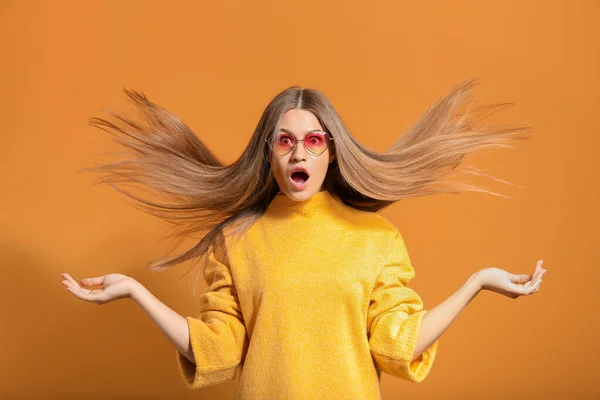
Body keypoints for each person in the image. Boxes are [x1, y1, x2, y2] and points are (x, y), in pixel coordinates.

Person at [61, 79, 546, 399]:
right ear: (268, 153)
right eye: (285, 140)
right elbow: (219, 350)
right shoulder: (237, 239)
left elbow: (397, 346)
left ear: (331, 154)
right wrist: (136, 292)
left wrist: (477, 283)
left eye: (314, 141)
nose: (299, 152)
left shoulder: (374, 238)